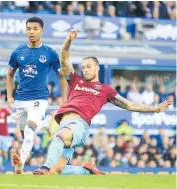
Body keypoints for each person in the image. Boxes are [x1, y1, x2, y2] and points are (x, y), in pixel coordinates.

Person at [33, 29, 172, 175]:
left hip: (79, 126)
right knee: (58, 170)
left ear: (97, 68)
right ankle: (88, 171)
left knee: (59, 137)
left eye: (89, 66)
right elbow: (64, 60)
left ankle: (46, 166)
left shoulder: (105, 90)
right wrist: (68, 40)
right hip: (65, 124)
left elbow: (129, 104)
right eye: (83, 67)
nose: (85, 70)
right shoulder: (76, 80)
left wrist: (154, 109)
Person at [6, 16, 67, 174]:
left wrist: (64, 100)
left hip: (39, 99)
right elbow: (10, 74)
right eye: (28, 29)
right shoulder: (18, 52)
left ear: (42, 31)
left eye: (35, 29)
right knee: (24, 133)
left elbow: (62, 76)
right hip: (20, 100)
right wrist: (9, 96)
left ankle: (20, 164)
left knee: (28, 131)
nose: (31, 32)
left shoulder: (49, 53)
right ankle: (46, 124)